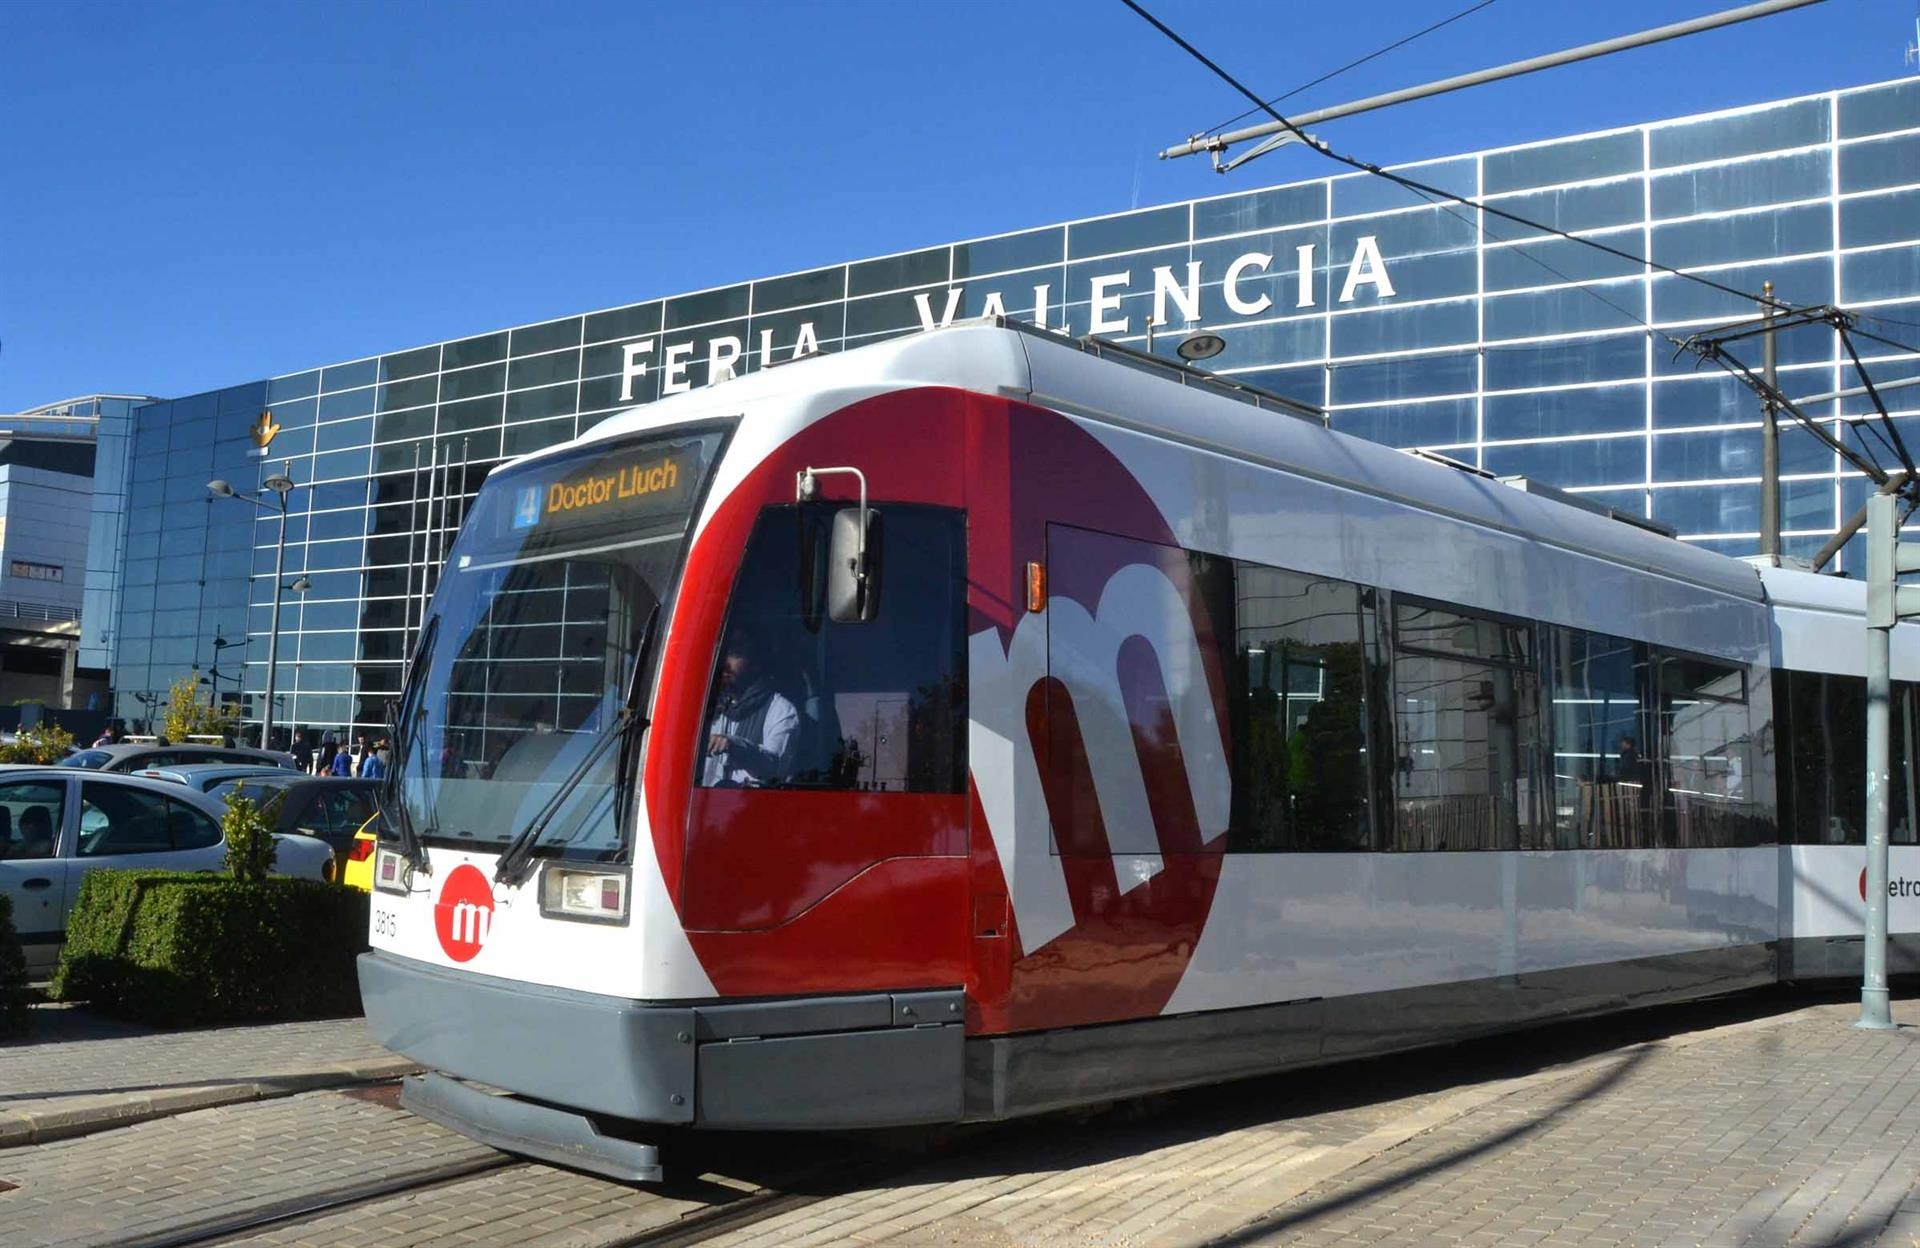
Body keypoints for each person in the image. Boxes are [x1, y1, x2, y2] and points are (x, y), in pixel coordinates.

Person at [702, 630, 798, 788]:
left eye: (735, 654)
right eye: (723, 654)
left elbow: (775, 767)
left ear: (757, 664)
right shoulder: (706, 704)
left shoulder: (782, 710)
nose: (725, 663)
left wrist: (735, 746)